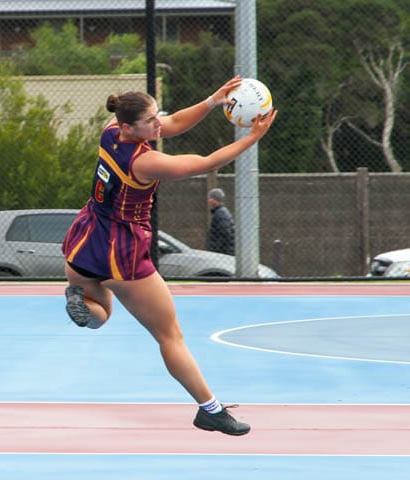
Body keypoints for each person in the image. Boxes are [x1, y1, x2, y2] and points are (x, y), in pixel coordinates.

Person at [62, 75, 278, 436]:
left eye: (156, 115)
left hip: (85, 239)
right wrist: (252, 137)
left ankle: (79, 302)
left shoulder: (110, 131)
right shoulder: (144, 162)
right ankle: (210, 410)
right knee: (170, 336)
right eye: (150, 120)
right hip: (121, 251)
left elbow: (174, 121)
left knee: (100, 312)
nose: (158, 123)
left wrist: (212, 101)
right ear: (130, 127)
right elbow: (206, 163)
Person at [207, 187, 235, 255]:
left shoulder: (220, 213)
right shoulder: (220, 212)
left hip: (223, 252)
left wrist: (217, 249)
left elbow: (226, 233)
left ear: (214, 199)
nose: (208, 200)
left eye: (210, 198)